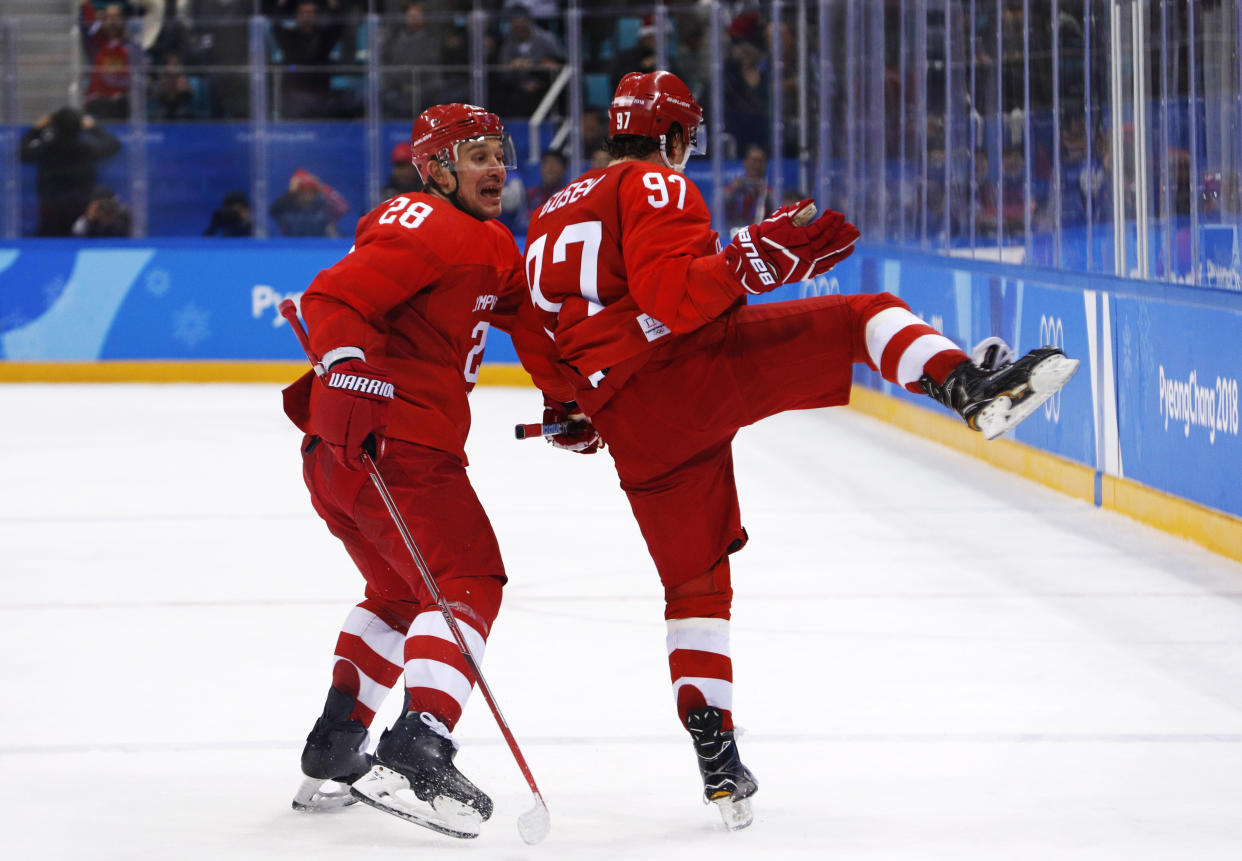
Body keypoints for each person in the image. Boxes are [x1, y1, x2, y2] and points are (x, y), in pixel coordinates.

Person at [509, 70, 1080, 830]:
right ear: (676, 137)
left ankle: (716, 751)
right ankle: (968, 387)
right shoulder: (657, 187)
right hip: (693, 374)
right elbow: (673, 299)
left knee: (696, 586)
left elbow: (537, 332)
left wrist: (568, 408)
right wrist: (753, 258)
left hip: (633, 424)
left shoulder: (548, 213)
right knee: (860, 318)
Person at [283, 103, 558, 836]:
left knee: (400, 593)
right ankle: (421, 738)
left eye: (500, 152)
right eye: (475, 155)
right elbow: (336, 296)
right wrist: (344, 367)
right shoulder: (427, 222)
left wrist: (567, 396)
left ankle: (335, 746)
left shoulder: (488, 241)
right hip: (393, 447)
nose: (497, 166)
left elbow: (524, 316)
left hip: (345, 457)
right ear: (435, 168)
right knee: (469, 578)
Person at [19, 107, 122, 237]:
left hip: (51, 213)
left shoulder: (46, 150)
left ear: (54, 126)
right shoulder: (87, 149)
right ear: (80, 127)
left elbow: (20, 151)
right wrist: (93, 128)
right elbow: (114, 144)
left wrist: (36, 130)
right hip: (80, 212)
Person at [79, 1, 143, 119]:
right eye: (109, 18)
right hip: (98, 98)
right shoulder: (94, 42)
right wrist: (85, 5)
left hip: (122, 99)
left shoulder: (131, 46)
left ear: (123, 21)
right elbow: (84, 22)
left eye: (116, 18)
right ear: (102, 21)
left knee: (128, 102)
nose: (112, 22)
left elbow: (137, 75)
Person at [269, 169, 349, 237]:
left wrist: (322, 189)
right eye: (303, 192)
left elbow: (343, 208)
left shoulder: (322, 204)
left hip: (321, 245)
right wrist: (291, 193)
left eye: (311, 192)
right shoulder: (288, 204)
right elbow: (273, 211)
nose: (307, 195)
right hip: (292, 245)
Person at [723, 143, 771, 236]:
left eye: (760, 161)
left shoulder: (769, 191)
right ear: (745, 162)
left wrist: (766, 194)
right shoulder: (734, 186)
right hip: (733, 234)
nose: (756, 165)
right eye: (753, 161)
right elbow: (717, 207)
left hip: (761, 236)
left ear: (765, 164)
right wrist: (733, 190)